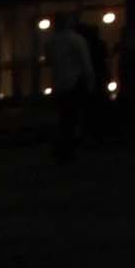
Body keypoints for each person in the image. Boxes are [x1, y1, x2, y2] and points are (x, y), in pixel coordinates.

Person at [44, 13, 93, 161]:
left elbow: (49, 61)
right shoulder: (77, 40)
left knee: (63, 116)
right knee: (73, 116)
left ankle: (63, 148)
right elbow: (85, 63)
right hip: (75, 81)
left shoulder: (51, 42)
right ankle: (69, 147)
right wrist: (90, 80)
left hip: (59, 83)